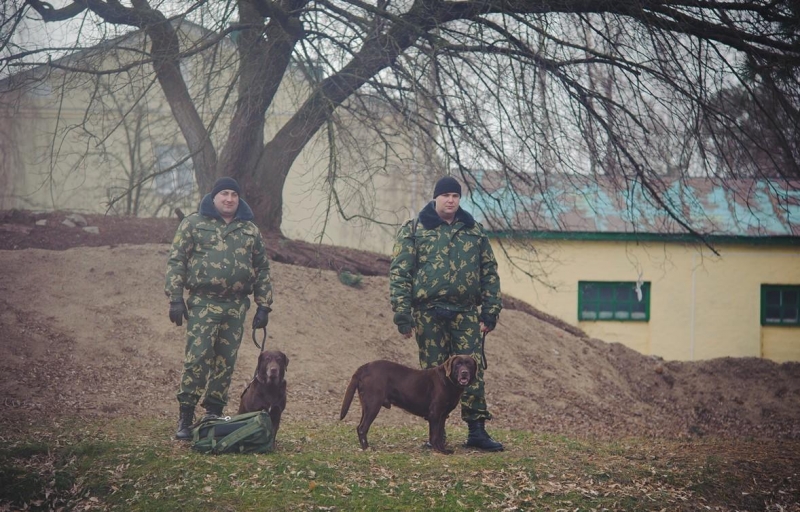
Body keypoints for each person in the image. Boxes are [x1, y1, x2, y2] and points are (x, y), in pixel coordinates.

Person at [389, 175, 504, 451]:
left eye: (455, 195)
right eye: (445, 195)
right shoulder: (415, 229)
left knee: (471, 370)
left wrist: (490, 312)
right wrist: (402, 314)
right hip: (428, 313)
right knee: (433, 377)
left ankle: (476, 430)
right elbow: (400, 273)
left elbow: (489, 273)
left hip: (465, 314)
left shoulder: (473, 230)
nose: (450, 200)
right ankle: (435, 436)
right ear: (435, 198)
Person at [165, 177, 273, 440]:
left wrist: (264, 305)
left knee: (225, 361)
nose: (229, 199)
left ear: (239, 199)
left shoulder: (249, 230)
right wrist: (176, 297)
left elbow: (262, 268)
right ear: (213, 197)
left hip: (236, 306)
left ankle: (213, 412)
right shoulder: (193, 224)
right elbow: (177, 259)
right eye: (224, 193)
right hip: (203, 302)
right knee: (198, 357)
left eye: (234, 194)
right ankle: (186, 415)